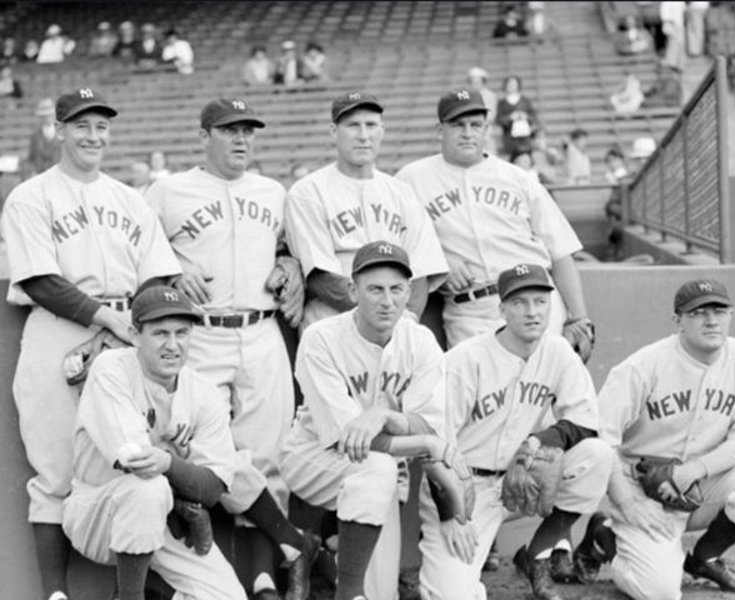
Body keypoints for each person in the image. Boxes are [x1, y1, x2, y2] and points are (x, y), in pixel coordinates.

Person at [0, 87, 182, 600]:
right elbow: (39, 280)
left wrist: (127, 324)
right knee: (55, 467)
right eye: (81, 125)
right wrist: (108, 321)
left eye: (101, 126)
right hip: (58, 331)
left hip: (126, 330)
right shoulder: (30, 196)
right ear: (59, 130)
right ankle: (56, 594)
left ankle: (136, 588)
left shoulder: (129, 199)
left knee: (133, 456)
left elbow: (157, 273)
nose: (93, 135)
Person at [146, 97, 317, 600]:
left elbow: (288, 250)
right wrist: (173, 268)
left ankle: (263, 578)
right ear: (205, 136)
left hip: (261, 330)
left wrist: (290, 266)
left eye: (248, 130)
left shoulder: (272, 191)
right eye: (229, 130)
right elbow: (139, 251)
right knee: (203, 451)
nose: (241, 139)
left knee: (268, 459)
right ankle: (294, 544)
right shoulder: (168, 190)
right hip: (201, 333)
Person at [575, 279, 735, 600]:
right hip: (644, 490)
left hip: (701, 485)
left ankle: (705, 558)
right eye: (698, 313)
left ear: (730, 315)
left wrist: (691, 471)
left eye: (719, 311)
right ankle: (604, 537)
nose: (711, 320)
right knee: (660, 591)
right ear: (678, 321)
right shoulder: (643, 367)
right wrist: (628, 503)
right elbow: (599, 440)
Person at [418, 264, 612, 600]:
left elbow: (584, 421)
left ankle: (538, 552)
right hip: (463, 488)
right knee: (448, 596)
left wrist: (536, 442)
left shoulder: (557, 351)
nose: (532, 311)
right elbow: (434, 447)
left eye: (540, 301)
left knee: (597, 456)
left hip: (520, 480)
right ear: (502, 309)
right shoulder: (466, 360)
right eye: (520, 302)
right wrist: (450, 515)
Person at [278, 240, 449, 600]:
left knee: (382, 594)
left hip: (382, 468)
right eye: (375, 289)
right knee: (376, 468)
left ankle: (334, 557)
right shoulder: (321, 338)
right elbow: (350, 439)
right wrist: (425, 442)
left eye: (396, 289)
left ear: (408, 292)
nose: (387, 301)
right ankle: (348, 592)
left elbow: (431, 423)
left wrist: (384, 415)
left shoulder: (420, 341)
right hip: (313, 455)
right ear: (353, 291)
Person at [62, 286, 247, 600]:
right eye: (160, 333)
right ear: (135, 336)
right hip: (97, 512)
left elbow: (213, 488)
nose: (173, 345)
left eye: (182, 333)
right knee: (148, 487)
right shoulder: (112, 368)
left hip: (162, 518)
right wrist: (181, 488)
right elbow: (136, 460)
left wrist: (171, 467)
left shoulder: (203, 392)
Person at [396, 89, 591, 350]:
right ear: (440, 130)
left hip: (534, 298)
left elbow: (560, 252)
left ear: (486, 129)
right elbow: (395, 244)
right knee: (473, 376)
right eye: (458, 125)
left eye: (475, 125)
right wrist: (438, 263)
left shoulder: (518, 178)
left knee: (545, 375)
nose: (468, 133)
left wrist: (580, 318)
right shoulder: (411, 179)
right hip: (470, 310)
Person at [284, 90, 448, 328]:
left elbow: (421, 270)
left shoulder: (403, 193)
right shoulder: (307, 192)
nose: (363, 136)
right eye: (353, 126)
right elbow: (320, 277)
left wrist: (404, 321)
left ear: (382, 130)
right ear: (334, 131)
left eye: (371, 125)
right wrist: (383, 317)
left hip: (397, 323)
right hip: (332, 323)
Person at [495, 75, 538, 157]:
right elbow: (498, 119)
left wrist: (526, 116)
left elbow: (533, 116)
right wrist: (510, 118)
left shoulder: (525, 101)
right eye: (509, 84)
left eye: (514, 84)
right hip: (509, 138)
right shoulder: (502, 103)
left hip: (525, 137)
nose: (512, 86)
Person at [26, 98, 60, 177]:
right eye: (44, 116)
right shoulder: (35, 135)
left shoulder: (62, 133)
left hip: (58, 174)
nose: (47, 118)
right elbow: (31, 158)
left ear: (54, 115)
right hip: (40, 175)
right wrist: (33, 171)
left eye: (50, 115)